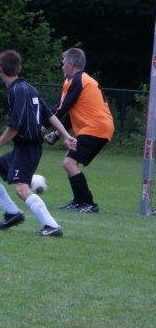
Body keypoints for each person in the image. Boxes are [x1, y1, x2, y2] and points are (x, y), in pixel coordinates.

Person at [0, 50, 77, 237]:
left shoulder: (17, 91)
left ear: (0, 69)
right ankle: (12, 214)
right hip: (23, 148)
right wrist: (65, 135)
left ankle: (52, 226)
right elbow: (49, 115)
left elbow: (14, 127)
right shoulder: (28, 88)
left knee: (21, 188)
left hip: (28, 148)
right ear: (19, 68)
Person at [44, 47, 115, 213]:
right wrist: (57, 133)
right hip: (96, 127)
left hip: (96, 127)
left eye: (63, 63)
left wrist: (43, 126)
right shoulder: (74, 81)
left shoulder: (79, 80)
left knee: (69, 162)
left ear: (71, 64)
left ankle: (89, 203)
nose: (62, 66)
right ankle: (78, 202)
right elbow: (71, 113)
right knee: (70, 163)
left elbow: (61, 109)